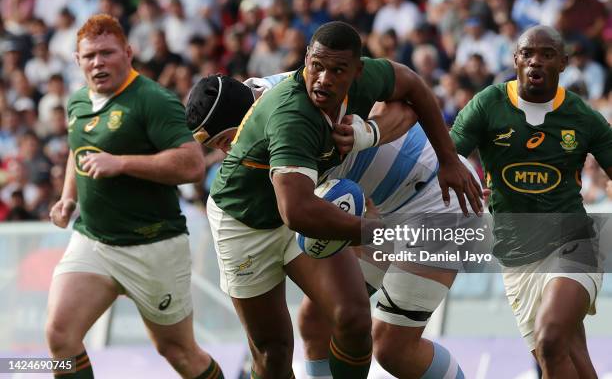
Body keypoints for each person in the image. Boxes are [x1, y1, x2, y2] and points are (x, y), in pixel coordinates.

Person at [194, 21, 483, 378]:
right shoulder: (279, 109)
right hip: (375, 212)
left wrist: (436, 156)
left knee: (392, 346)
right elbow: (301, 207)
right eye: (222, 148)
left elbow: (410, 95)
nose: (229, 154)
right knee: (314, 324)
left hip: (439, 204)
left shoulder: (299, 110)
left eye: (227, 142)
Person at [46, 14, 224, 379]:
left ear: (128, 52)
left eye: (107, 53)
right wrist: (68, 198)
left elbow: (192, 165)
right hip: (94, 241)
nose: (98, 62)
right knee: (60, 336)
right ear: (77, 61)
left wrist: (123, 163)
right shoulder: (78, 102)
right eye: (90, 56)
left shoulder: (153, 100)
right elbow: (77, 151)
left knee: (179, 353)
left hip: (153, 246)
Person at [450, 25, 612, 378]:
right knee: (568, 356)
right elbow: (448, 157)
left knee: (551, 337)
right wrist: (464, 180)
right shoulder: (488, 104)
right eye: (527, 54)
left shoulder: (581, 117)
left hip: (573, 240)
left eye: (546, 54)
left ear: (564, 63)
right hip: (517, 256)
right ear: (515, 60)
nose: (535, 61)